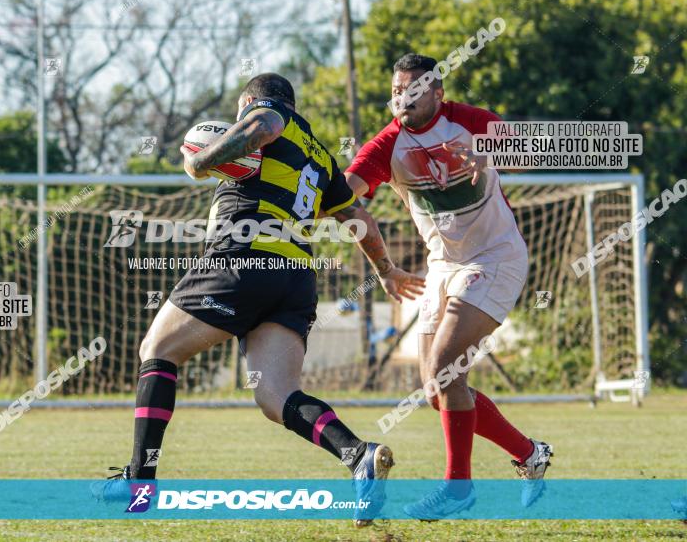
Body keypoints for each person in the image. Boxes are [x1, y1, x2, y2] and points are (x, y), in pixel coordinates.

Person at [99, 72, 425, 526]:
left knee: (157, 351)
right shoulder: (322, 158)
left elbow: (263, 126)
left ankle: (139, 482)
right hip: (294, 278)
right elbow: (359, 217)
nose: (242, 120)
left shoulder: (269, 116)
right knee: (276, 396)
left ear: (252, 102)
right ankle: (358, 455)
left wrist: (201, 163)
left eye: (243, 111)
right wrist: (385, 270)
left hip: (243, 259)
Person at [344, 54, 553, 520]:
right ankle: (529, 453)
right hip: (442, 265)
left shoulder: (471, 121)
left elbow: (531, 156)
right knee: (438, 390)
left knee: (444, 368)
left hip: (495, 256)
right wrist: (379, 261)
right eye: (398, 91)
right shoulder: (388, 144)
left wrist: (487, 155)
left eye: (415, 91)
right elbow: (347, 195)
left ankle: (458, 489)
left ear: (438, 93)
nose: (404, 99)